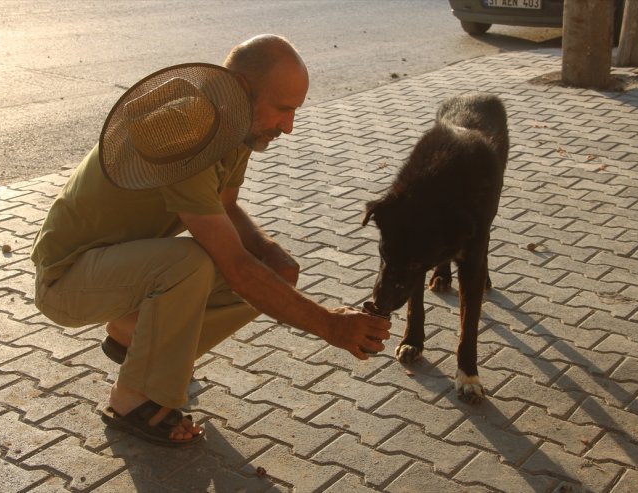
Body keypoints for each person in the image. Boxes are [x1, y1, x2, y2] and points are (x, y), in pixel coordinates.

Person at [31, 34, 391, 447]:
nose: (289, 128)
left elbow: (225, 203)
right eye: (283, 109)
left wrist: (273, 254)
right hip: (67, 280)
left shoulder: (234, 124)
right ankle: (132, 399)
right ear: (240, 87)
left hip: (119, 268)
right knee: (192, 264)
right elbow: (235, 266)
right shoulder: (183, 132)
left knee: (272, 273)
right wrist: (329, 324)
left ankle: (132, 336)